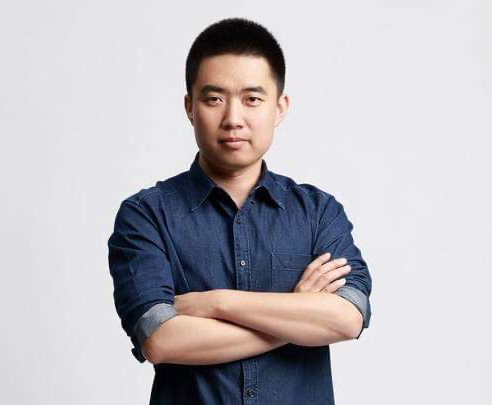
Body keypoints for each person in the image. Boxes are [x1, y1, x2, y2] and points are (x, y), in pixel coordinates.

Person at [107, 17, 372, 404]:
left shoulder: (318, 213)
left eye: (252, 99)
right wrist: (299, 315)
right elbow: (161, 340)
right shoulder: (146, 215)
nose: (233, 119)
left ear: (279, 107)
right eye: (214, 99)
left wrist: (216, 303)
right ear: (189, 107)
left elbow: (348, 318)